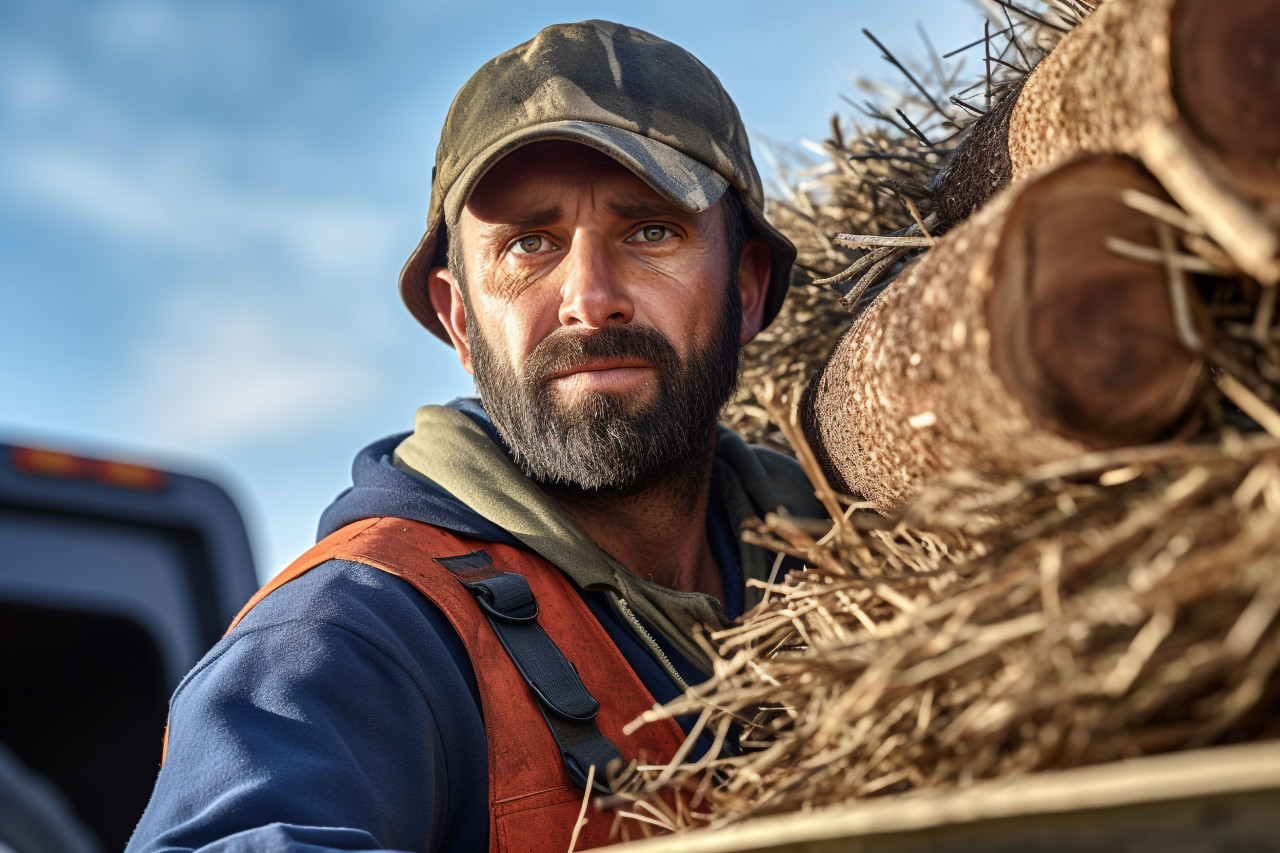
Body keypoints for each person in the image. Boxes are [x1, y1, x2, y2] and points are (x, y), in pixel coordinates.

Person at [127, 19, 824, 853]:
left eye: (651, 231)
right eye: (530, 244)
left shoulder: (837, 557)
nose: (590, 297)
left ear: (746, 289)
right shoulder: (351, 638)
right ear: (461, 321)